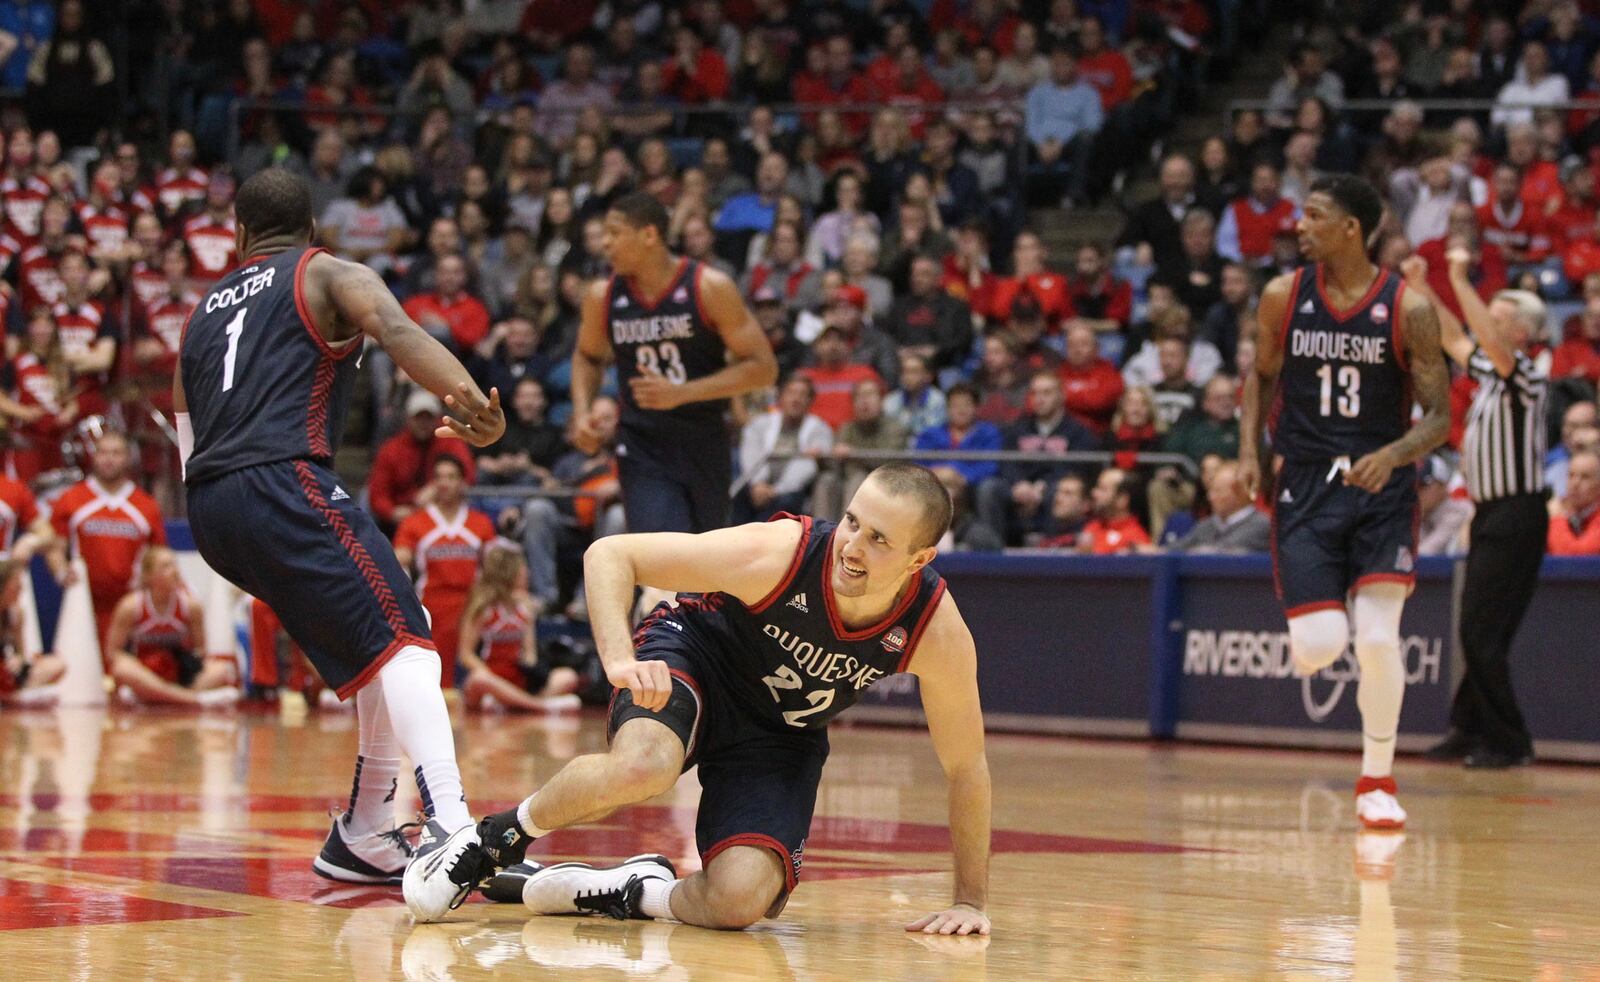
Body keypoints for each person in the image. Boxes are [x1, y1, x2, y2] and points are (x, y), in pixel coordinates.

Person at [174, 168, 506, 921]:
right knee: (410, 639)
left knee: (378, 648)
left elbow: (183, 413)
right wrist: (471, 408)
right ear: (313, 230)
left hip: (212, 505)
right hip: (280, 478)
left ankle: (364, 833)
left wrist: (217, 498)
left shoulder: (201, 310)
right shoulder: (327, 272)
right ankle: (453, 824)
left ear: (237, 234)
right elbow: (397, 330)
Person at [471, 463, 991, 938]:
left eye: (879, 539)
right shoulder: (784, 551)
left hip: (780, 732)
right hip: (697, 656)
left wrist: (969, 901)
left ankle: (632, 890)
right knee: (643, 766)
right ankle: (494, 839)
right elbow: (611, 553)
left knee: (737, 901)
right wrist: (618, 659)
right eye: (852, 521)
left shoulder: (934, 631)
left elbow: (966, 766)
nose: (852, 546)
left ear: (920, 559)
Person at [1240, 175, 1451, 830]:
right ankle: (1318, 636)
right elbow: (1262, 375)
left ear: (1351, 229)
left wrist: (1392, 455)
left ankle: (1377, 780)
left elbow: (1440, 418)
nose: (1298, 227)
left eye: (1313, 216)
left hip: (1381, 488)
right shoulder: (1283, 295)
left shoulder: (1409, 307)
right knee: (1322, 645)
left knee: (1380, 639)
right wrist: (1250, 451)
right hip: (1303, 483)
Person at [1403, 251, 1551, 768]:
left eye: (1499, 314)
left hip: (1517, 514)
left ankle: (1511, 741)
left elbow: (1480, 336)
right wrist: (1424, 288)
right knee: (1481, 627)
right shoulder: (1492, 372)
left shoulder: (1524, 375)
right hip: (1491, 515)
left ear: (1521, 331)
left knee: (1481, 630)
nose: (1488, 318)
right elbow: (1454, 338)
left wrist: (1463, 278)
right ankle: (1469, 728)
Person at [570, 192, 777, 538]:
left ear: (649, 235)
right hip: (641, 444)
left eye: (614, 232)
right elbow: (587, 357)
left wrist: (683, 393)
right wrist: (581, 414)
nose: (605, 244)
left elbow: (763, 368)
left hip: (704, 439)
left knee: (703, 564)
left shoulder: (709, 287)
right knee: (661, 553)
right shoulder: (602, 296)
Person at [47, 431, 166, 647]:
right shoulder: (71, 499)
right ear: (93, 456)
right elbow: (55, 546)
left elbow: (158, 554)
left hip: (130, 606)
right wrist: (61, 572)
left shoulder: (146, 505)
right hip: (84, 602)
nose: (109, 459)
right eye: (102, 452)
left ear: (128, 458)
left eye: (116, 453)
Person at [394, 456, 498, 691]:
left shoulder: (480, 522)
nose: (445, 483)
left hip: (472, 603)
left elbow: (494, 566)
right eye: (439, 477)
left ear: (462, 483)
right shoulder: (415, 522)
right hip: (432, 602)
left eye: (451, 477)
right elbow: (399, 556)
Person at [104, 546, 239, 707]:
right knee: (122, 669)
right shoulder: (130, 606)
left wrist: (186, 664)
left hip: (178, 674)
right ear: (149, 576)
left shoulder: (191, 606)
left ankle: (154, 697)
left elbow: (200, 651)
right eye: (166, 566)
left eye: (175, 564)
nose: (174, 571)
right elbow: (114, 652)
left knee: (223, 670)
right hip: (144, 672)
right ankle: (194, 699)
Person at [457, 544, 582, 713]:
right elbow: (466, 654)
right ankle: (539, 706)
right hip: (491, 679)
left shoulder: (525, 607)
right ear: (508, 573)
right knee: (478, 680)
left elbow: (529, 653)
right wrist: (489, 677)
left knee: (567, 676)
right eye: (522, 569)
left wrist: (532, 672)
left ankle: (513, 702)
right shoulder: (483, 607)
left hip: (517, 678)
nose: (527, 573)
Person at [733, 375, 833, 524]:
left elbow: (807, 467)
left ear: (810, 401)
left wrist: (776, 490)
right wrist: (758, 483)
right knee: (737, 492)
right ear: (780, 397)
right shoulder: (760, 423)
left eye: (802, 395)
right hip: (756, 485)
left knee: (785, 502)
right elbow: (750, 454)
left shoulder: (820, 429)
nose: (796, 399)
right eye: (791, 393)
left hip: (790, 491)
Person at [0, 559, 64, 706]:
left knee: (57, 664)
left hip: (7, 674)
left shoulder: (16, 614)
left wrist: (19, 660)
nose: (21, 588)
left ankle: (13, 696)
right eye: (16, 582)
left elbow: (22, 654)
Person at [1170, 461, 1270, 553]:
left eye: (1217, 491)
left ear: (1240, 493)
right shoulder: (1208, 525)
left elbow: (1223, 552)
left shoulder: (1261, 525)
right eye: (1211, 491)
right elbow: (1173, 550)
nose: (1210, 497)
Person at [1548, 448, 1600, 554]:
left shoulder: (1558, 517)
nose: (1575, 483)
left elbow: (1576, 558)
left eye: (1585, 477)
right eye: (1571, 475)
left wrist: (1557, 518)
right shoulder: (1570, 516)